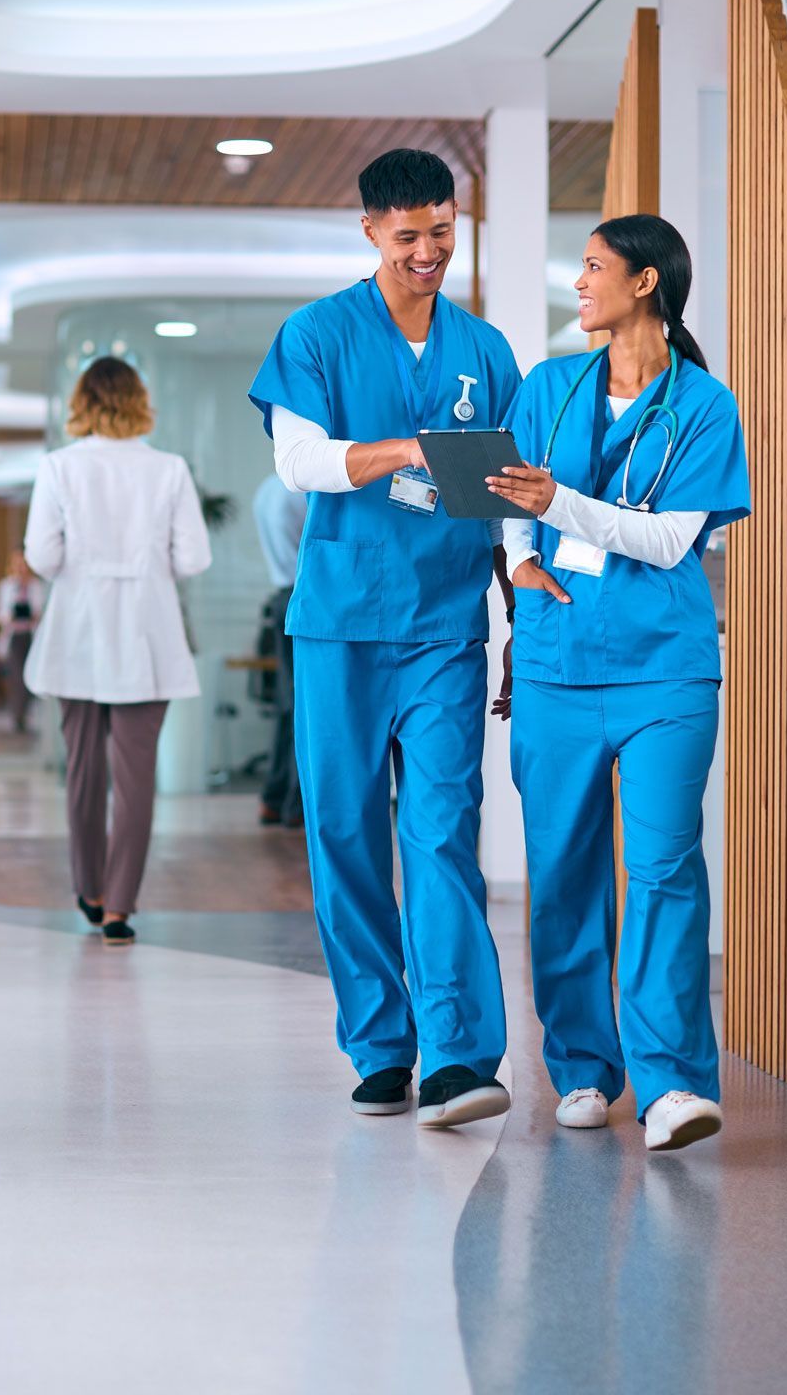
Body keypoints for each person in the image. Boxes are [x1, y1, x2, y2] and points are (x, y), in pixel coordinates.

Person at [248, 148, 521, 1129]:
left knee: (442, 830)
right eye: (409, 236)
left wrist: (517, 610)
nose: (429, 253)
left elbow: (509, 496)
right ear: (370, 231)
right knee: (346, 832)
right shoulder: (316, 335)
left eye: (443, 232)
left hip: (446, 624)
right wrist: (406, 449)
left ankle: (456, 1054)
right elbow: (302, 462)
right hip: (341, 625)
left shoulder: (485, 351)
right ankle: (380, 1042)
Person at [486, 213, 751, 1154]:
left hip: (665, 668)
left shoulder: (704, 405)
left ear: (646, 284)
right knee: (561, 868)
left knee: (667, 866)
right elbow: (504, 496)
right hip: (558, 664)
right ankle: (585, 1067)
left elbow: (670, 540)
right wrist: (518, 557)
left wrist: (555, 505)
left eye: (595, 269)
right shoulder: (550, 386)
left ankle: (674, 1082)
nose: (580, 285)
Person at [23, 356, 212, 946]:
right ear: (138, 401)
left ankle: (90, 887)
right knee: (136, 779)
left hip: (77, 631)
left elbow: (42, 559)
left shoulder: (57, 467)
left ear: (82, 401)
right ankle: (120, 908)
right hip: (146, 635)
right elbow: (193, 560)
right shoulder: (170, 470)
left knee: (82, 772)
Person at [251, 471, 308, 828]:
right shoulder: (300, 490)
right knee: (305, 705)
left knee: (291, 705)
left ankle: (274, 797)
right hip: (304, 595)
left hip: (280, 596)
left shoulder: (267, 489)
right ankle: (294, 803)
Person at [0, 551, 45, 733]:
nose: (21, 569)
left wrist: (32, 616)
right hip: (14, 636)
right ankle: (17, 716)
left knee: (29, 678)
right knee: (15, 678)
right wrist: (12, 616)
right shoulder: (6, 586)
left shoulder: (36, 585)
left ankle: (25, 714)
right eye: (17, 564)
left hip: (30, 636)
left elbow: (40, 611)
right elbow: (0, 614)